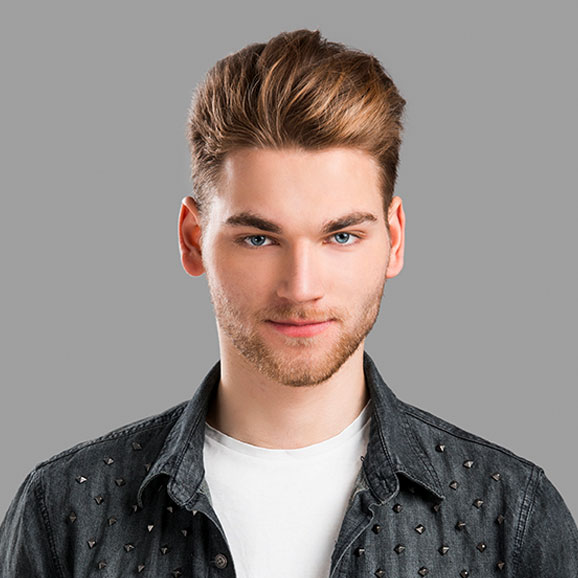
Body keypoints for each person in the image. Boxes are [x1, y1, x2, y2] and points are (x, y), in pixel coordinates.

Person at [1, 29, 576, 578]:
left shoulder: (508, 515)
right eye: (259, 239)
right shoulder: (65, 511)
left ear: (394, 239)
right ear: (193, 240)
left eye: (341, 236)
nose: (301, 288)